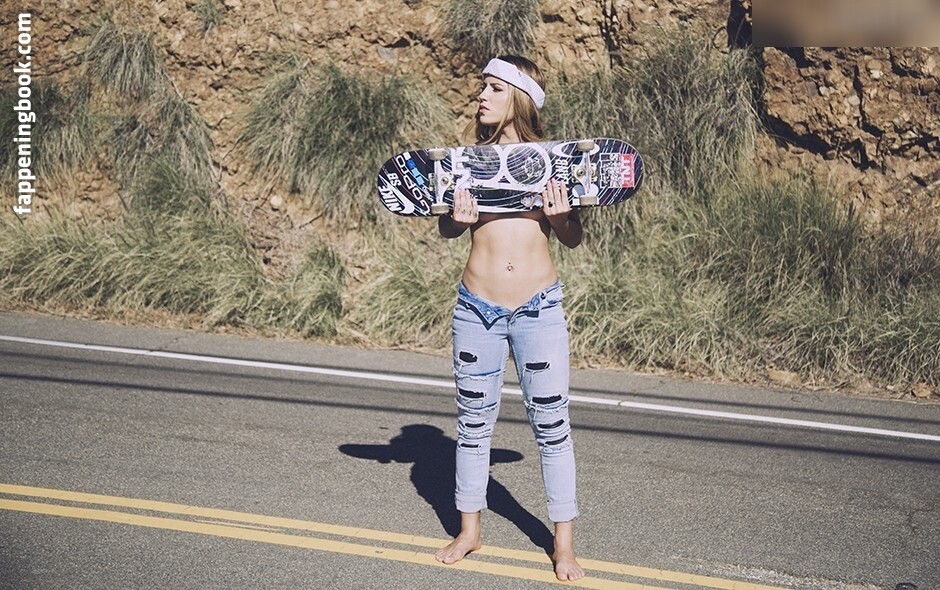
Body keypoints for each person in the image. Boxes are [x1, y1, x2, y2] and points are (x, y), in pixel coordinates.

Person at [433, 55, 586, 582]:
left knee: (552, 427)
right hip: (476, 309)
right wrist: (456, 220)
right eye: (483, 87)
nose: (482, 96)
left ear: (519, 98)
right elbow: (446, 229)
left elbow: (573, 237)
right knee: (473, 426)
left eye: (494, 88)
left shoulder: (553, 162)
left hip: (538, 309)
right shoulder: (467, 162)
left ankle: (563, 545)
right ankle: (469, 531)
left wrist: (560, 217)